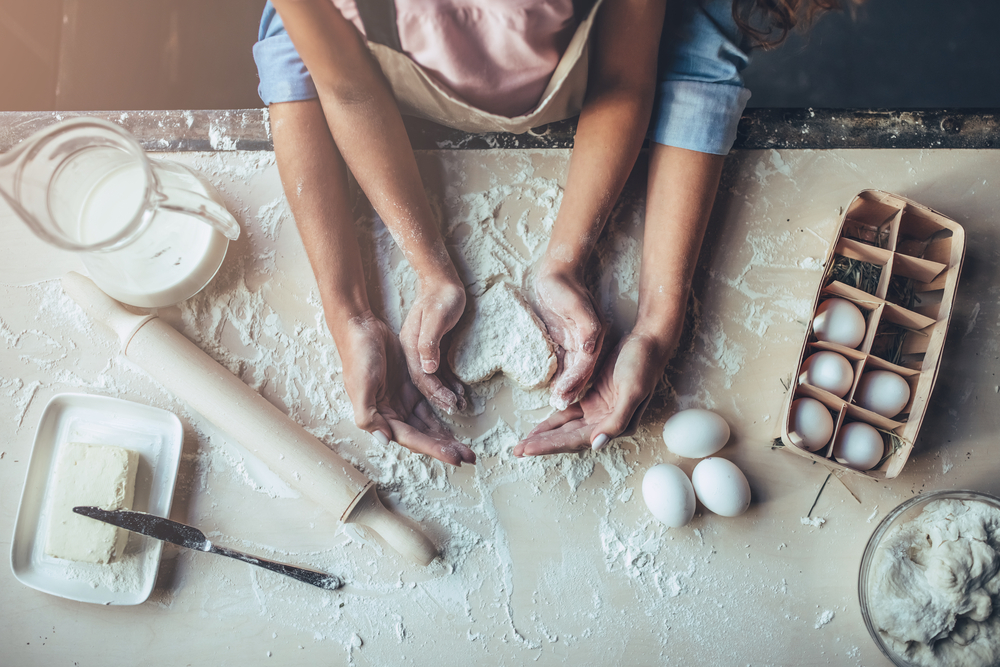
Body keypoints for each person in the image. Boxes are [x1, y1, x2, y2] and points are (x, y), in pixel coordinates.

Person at [253, 0, 851, 466]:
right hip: (381, 96)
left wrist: (653, 319)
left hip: (607, 78)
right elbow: (343, 84)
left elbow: (629, 72)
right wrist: (355, 307)